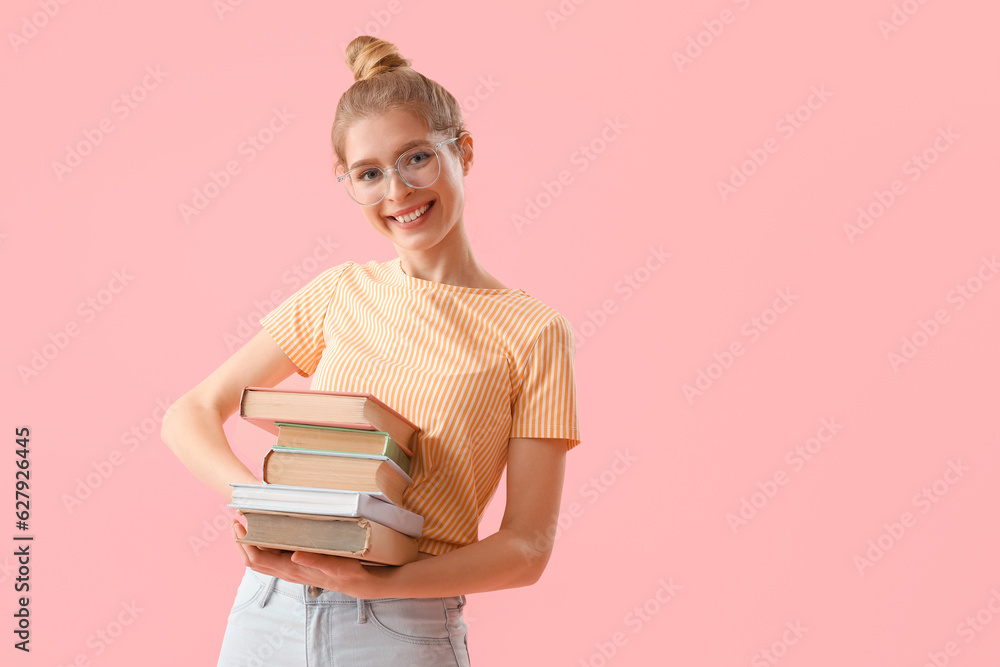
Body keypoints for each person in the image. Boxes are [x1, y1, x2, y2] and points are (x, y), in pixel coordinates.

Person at [161, 35, 581, 666]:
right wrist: (262, 508)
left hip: (402, 630)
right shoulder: (341, 292)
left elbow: (527, 548)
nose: (398, 192)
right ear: (348, 183)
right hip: (269, 610)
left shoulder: (534, 332)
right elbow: (189, 412)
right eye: (369, 173)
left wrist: (383, 583)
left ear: (462, 150)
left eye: (416, 157)